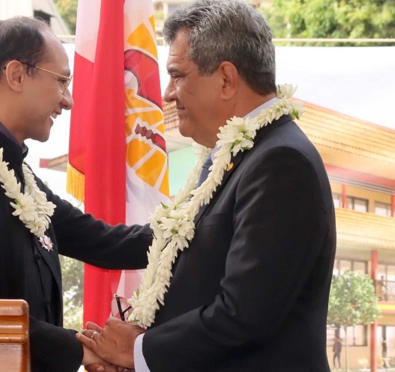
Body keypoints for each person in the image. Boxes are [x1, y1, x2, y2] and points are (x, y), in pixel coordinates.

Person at [77, 0, 337, 371]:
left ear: (227, 79)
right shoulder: (232, 156)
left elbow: (244, 314)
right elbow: (166, 251)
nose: (168, 93)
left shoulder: (281, 163)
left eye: (178, 75)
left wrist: (139, 350)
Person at [0, 17, 152, 372]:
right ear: (17, 75)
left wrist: (195, 226)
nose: (68, 101)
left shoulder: (17, 172)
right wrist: (81, 348)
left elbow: (103, 241)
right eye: (62, 81)